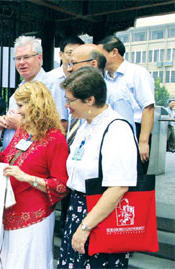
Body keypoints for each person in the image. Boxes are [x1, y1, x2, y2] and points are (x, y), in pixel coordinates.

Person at [0, 81, 69, 268]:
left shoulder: (55, 139)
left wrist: (28, 178)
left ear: (36, 105)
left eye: (21, 105)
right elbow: (3, 163)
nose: (17, 111)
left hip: (33, 219)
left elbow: (61, 186)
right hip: (7, 212)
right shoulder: (22, 132)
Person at [57, 67, 137, 268]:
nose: (66, 106)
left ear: (90, 100)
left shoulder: (116, 128)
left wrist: (85, 226)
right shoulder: (85, 124)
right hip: (78, 209)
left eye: (71, 100)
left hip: (99, 216)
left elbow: (119, 187)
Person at [0, 36, 67, 148]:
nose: (22, 62)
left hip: (37, 156)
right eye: (18, 58)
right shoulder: (20, 88)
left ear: (39, 58)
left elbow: (61, 126)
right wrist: (2, 122)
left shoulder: (52, 85)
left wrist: (21, 124)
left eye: (27, 57)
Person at [98, 35, 155, 173]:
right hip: (112, 130)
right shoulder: (104, 79)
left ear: (114, 52)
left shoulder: (137, 73)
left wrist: (143, 142)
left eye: (100, 55)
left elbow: (148, 108)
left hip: (135, 130)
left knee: (134, 177)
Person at [67, 44, 135, 134]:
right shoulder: (75, 94)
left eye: (73, 63)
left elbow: (125, 134)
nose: (69, 69)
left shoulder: (116, 95)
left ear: (93, 64)